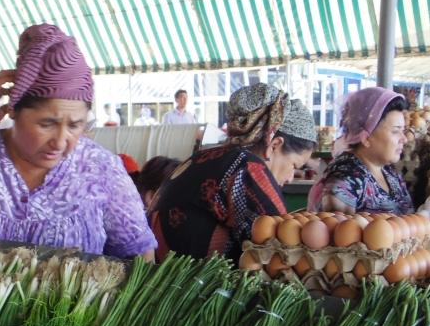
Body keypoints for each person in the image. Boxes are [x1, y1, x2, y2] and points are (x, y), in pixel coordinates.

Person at [0, 23, 156, 276]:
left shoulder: (100, 168)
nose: (60, 141)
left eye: (75, 125)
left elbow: (139, 252)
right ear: (13, 110)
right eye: (47, 124)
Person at [149, 84, 316, 261]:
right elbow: (284, 251)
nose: (290, 178)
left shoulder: (204, 156)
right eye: (294, 165)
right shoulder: (249, 168)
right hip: (188, 277)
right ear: (274, 145)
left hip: (158, 271)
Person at [310, 87, 413, 215]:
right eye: (396, 131)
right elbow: (341, 226)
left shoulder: (389, 173)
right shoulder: (345, 178)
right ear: (366, 137)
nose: (404, 139)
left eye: (403, 130)